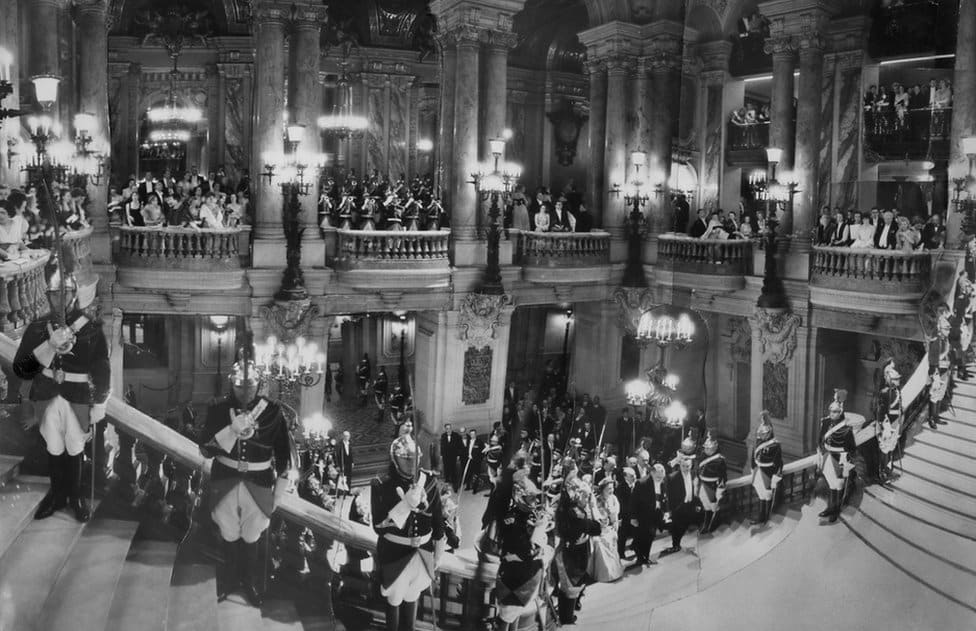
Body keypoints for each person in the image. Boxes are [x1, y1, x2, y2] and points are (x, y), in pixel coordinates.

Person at [197, 343, 294, 606]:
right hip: (225, 478)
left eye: (250, 385)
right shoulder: (218, 408)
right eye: (240, 385)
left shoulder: (273, 412)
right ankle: (229, 579)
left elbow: (284, 456)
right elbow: (205, 450)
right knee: (228, 533)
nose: (245, 390)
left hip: (260, 482)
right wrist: (230, 431)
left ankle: (249, 581)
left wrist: (279, 494)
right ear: (232, 384)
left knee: (252, 535)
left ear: (259, 383)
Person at [14, 263, 109, 523]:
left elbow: (102, 367)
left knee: (75, 448)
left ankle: (75, 497)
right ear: (47, 296)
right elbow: (22, 369)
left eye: (66, 293)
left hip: (78, 395)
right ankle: (56, 496)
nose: (61, 299)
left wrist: (100, 401)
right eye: (56, 294)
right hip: (45, 394)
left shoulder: (90, 327)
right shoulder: (36, 328)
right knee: (54, 448)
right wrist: (48, 346)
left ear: (75, 294)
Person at [371, 434, 446, 631]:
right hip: (395, 553)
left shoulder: (428, 480)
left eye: (415, 459)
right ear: (395, 459)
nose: (411, 464)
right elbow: (378, 526)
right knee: (394, 598)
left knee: (413, 595)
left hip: (423, 552)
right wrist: (404, 506)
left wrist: (438, 553)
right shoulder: (381, 483)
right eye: (406, 459)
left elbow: (438, 519)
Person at [493, 471, 549, 631]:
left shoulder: (528, 515)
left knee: (515, 614)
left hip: (525, 576)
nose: (535, 501)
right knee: (506, 616)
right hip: (514, 579)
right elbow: (527, 550)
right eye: (531, 498)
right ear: (519, 497)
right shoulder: (511, 520)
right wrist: (538, 529)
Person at [553, 459, 602, 625]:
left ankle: (567, 611)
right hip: (573, 550)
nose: (576, 484)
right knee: (571, 584)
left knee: (573, 583)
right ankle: (566, 617)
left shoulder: (568, 498)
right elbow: (596, 528)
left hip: (578, 546)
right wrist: (589, 504)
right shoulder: (573, 510)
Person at [661, 439, 703, 556]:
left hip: (691, 505)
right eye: (684, 466)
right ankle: (676, 545)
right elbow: (668, 495)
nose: (686, 468)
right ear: (680, 466)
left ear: (691, 465)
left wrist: (697, 504)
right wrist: (671, 510)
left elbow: (696, 489)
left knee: (690, 525)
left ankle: (698, 545)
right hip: (678, 507)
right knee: (676, 528)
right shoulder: (672, 478)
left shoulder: (694, 474)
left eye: (688, 466)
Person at [817, 398, 856, 523]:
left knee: (839, 485)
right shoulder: (826, 422)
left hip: (840, 458)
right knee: (831, 484)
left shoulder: (846, 429)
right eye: (830, 411)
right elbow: (820, 439)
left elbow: (852, 449)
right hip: (828, 456)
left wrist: (847, 463)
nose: (831, 414)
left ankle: (836, 510)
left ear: (840, 412)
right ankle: (830, 507)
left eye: (835, 412)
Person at [750, 413, 783, 526]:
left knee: (767, 495)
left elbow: (778, 462)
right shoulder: (757, 443)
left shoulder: (775, 445)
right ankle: (761, 516)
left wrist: (776, 476)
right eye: (760, 433)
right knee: (761, 494)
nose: (761, 436)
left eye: (763, 434)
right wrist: (752, 468)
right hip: (758, 471)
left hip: (768, 472)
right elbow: (753, 457)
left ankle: (766, 517)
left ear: (769, 432)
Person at [591, 477, 623, 582]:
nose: (611, 490)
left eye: (612, 488)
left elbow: (616, 514)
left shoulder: (613, 498)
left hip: (611, 526)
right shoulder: (597, 500)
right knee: (599, 542)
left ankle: (615, 571)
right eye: (608, 488)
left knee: (612, 537)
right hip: (601, 528)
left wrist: (614, 521)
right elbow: (596, 515)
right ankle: (605, 573)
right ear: (603, 489)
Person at [875, 361, 903, 485]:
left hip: (895, 423)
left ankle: (888, 469)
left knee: (891, 447)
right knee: (885, 449)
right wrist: (883, 425)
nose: (898, 381)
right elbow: (881, 411)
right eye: (896, 379)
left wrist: (898, 424)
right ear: (891, 380)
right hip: (887, 425)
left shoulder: (897, 390)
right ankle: (882, 473)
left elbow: (900, 408)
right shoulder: (885, 392)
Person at [697, 433, 727, 534]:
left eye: (708, 448)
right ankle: (706, 523)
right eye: (705, 448)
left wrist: (720, 489)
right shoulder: (702, 456)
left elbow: (723, 476)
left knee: (713, 505)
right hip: (703, 482)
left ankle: (713, 523)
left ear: (714, 448)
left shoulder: (720, 460)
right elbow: (699, 469)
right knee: (705, 503)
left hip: (712, 485)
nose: (706, 450)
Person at [928, 312, 953, 429]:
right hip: (937, 371)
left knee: (940, 394)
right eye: (946, 328)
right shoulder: (937, 340)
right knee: (934, 395)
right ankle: (931, 418)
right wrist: (935, 374)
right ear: (941, 329)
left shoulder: (945, 339)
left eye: (948, 328)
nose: (948, 330)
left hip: (945, 370)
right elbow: (933, 358)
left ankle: (936, 417)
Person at [440, 422, 463, 491]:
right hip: (445, 457)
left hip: (453, 456)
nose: (448, 430)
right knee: (446, 470)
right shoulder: (443, 436)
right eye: (447, 428)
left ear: (451, 428)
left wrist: (458, 455)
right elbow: (442, 446)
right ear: (445, 429)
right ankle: (446, 486)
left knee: (453, 471)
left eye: (449, 428)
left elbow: (460, 446)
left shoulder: (456, 435)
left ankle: (455, 486)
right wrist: (441, 455)